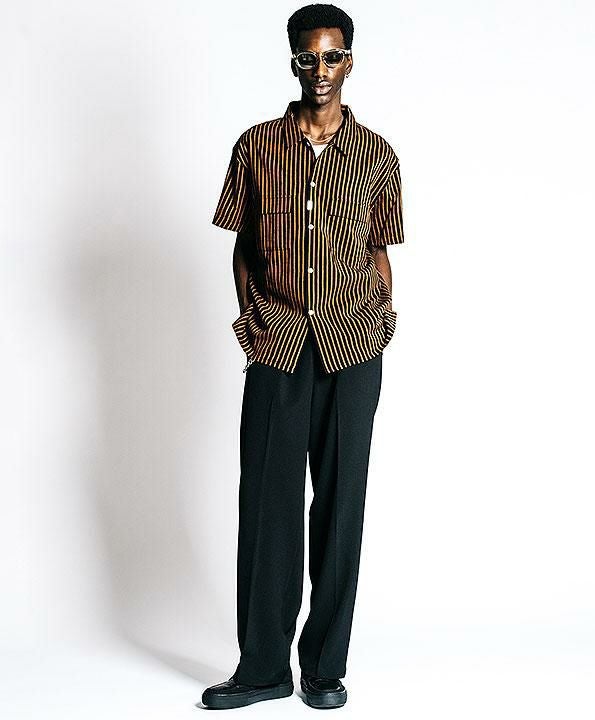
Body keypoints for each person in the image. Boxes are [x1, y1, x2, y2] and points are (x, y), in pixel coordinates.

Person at [200, 2, 404, 710]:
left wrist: (381, 323)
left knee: (341, 507)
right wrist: (254, 324)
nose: (320, 70)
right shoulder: (255, 146)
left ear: (350, 61)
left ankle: (324, 668)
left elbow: (379, 252)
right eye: (308, 57)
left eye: (332, 56)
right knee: (268, 507)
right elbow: (242, 246)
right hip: (279, 345)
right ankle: (262, 669)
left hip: (353, 349)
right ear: (293, 62)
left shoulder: (379, 155)